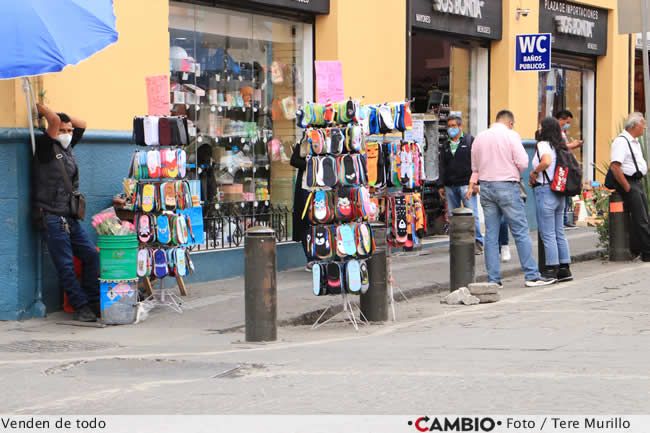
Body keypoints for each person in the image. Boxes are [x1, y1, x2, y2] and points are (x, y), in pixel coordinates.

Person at [467, 110, 555, 288]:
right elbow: (522, 162)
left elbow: (474, 167)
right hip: (507, 185)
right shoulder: (511, 135)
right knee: (520, 231)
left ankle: (494, 279)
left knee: (491, 234)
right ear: (510, 123)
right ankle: (531, 275)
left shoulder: (479, 138)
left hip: (486, 186)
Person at [33, 103, 99, 322]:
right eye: (62, 130)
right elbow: (52, 121)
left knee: (90, 255)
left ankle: (91, 299)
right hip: (51, 216)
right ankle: (81, 307)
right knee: (65, 265)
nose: (68, 134)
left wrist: (65, 118)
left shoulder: (67, 148)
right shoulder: (44, 146)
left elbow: (82, 124)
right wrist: (41, 107)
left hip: (68, 216)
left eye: (69, 131)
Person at [530, 117, 573, 281]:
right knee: (559, 231)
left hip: (545, 189)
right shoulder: (559, 145)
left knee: (547, 233)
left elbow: (546, 162)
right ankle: (564, 268)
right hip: (559, 191)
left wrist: (534, 173)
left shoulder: (543, 145)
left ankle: (551, 268)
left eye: (541, 127)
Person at [438, 114, 484, 255]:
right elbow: (442, 166)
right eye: (449, 126)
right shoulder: (445, 145)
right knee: (453, 216)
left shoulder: (470, 142)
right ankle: (456, 242)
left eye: (454, 126)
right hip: (450, 186)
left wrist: (477, 183)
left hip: (467, 185)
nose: (451, 129)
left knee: (472, 215)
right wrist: (441, 185)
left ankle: (477, 242)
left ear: (460, 127)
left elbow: (478, 163)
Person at [609, 112, 650, 261]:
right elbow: (615, 166)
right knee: (641, 219)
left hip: (637, 182)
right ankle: (647, 253)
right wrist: (627, 187)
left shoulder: (634, 141)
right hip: (629, 182)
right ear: (634, 126)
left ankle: (639, 249)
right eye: (643, 125)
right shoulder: (622, 141)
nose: (644, 128)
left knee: (643, 217)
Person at [555, 110, 583, 229]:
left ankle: (564, 219)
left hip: (566, 165)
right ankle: (562, 220)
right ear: (562, 119)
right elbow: (560, 147)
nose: (568, 125)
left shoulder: (561, 132)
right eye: (567, 122)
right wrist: (573, 145)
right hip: (561, 166)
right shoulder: (556, 132)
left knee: (567, 192)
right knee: (563, 191)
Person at [290, 137, 312, 271]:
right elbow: (294, 160)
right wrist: (312, 164)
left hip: (325, 188)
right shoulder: (305, 140)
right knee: (306, 223)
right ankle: (310, 258)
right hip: (306, 188)